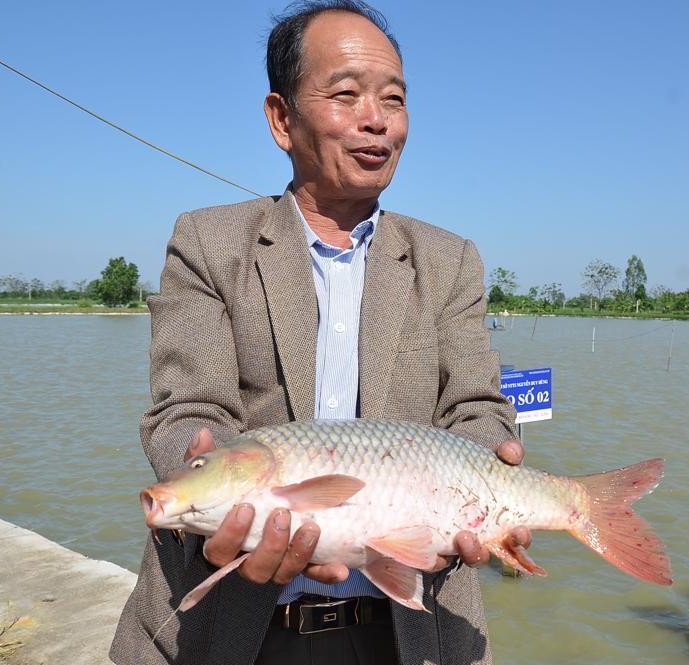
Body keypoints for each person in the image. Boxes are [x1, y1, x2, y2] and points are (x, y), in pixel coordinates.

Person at [110, 2, 528, 663]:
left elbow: (477, 407)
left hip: (408, 631)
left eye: (393, 99)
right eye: (347, 94)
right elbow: (186, 410)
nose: (377, 119)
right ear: (281, 118)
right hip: (232, 629)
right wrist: (214, 476)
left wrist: (483, 469)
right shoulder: (207, 241)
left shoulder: (449, 260)